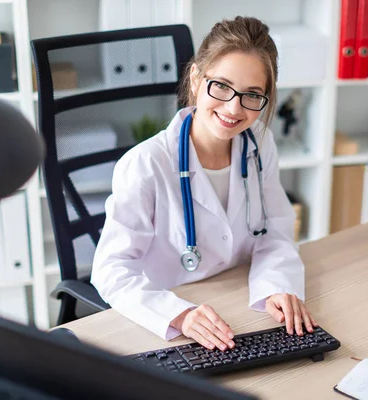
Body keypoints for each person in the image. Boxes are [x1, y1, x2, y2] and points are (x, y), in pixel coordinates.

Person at [91, 16, 317, 352]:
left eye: (252, 95)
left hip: (237, 305)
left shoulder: (259, 145)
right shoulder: (147, 164)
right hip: (170, 321)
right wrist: (178, 315)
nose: (233, 108)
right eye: (222, 86)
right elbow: (111, 270)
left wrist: (277, 286)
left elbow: (274, 230)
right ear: (196, 78)